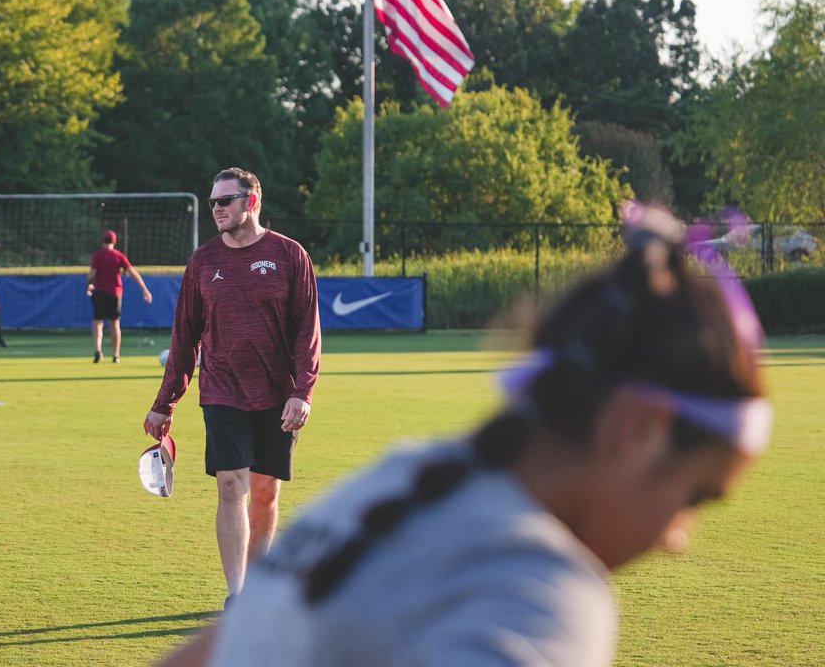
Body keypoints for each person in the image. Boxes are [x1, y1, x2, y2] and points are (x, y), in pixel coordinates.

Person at [155, 203, 771, 667]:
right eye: (697, 495)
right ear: (636, 430)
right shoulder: (537, 595)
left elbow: (218, 649)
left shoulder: (405, 475)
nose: (678, 538)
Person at [144, 167, 321, 606]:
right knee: (231, 486)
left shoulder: (290, 255)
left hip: (279, 394)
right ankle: (238, 594)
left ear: (251, 202)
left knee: (265, 491)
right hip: (222, 390)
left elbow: (308, 331)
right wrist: (164, 402)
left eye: (225, 200)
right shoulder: (203, 262)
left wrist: (303, 391)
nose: (217, 209)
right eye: (213, 203)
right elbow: (183, 337)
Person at [86, 229, 153, 363]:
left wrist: (88, 284)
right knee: (114, 324)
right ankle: (116, 355)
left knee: (97, 323)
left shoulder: (97, 255)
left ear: (102, 240)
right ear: (114, 241)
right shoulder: (119, 256)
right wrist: (144, 289)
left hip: (100, 292)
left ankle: (98, 350)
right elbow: (133, 273)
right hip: (115, 294)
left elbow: (92, 273)